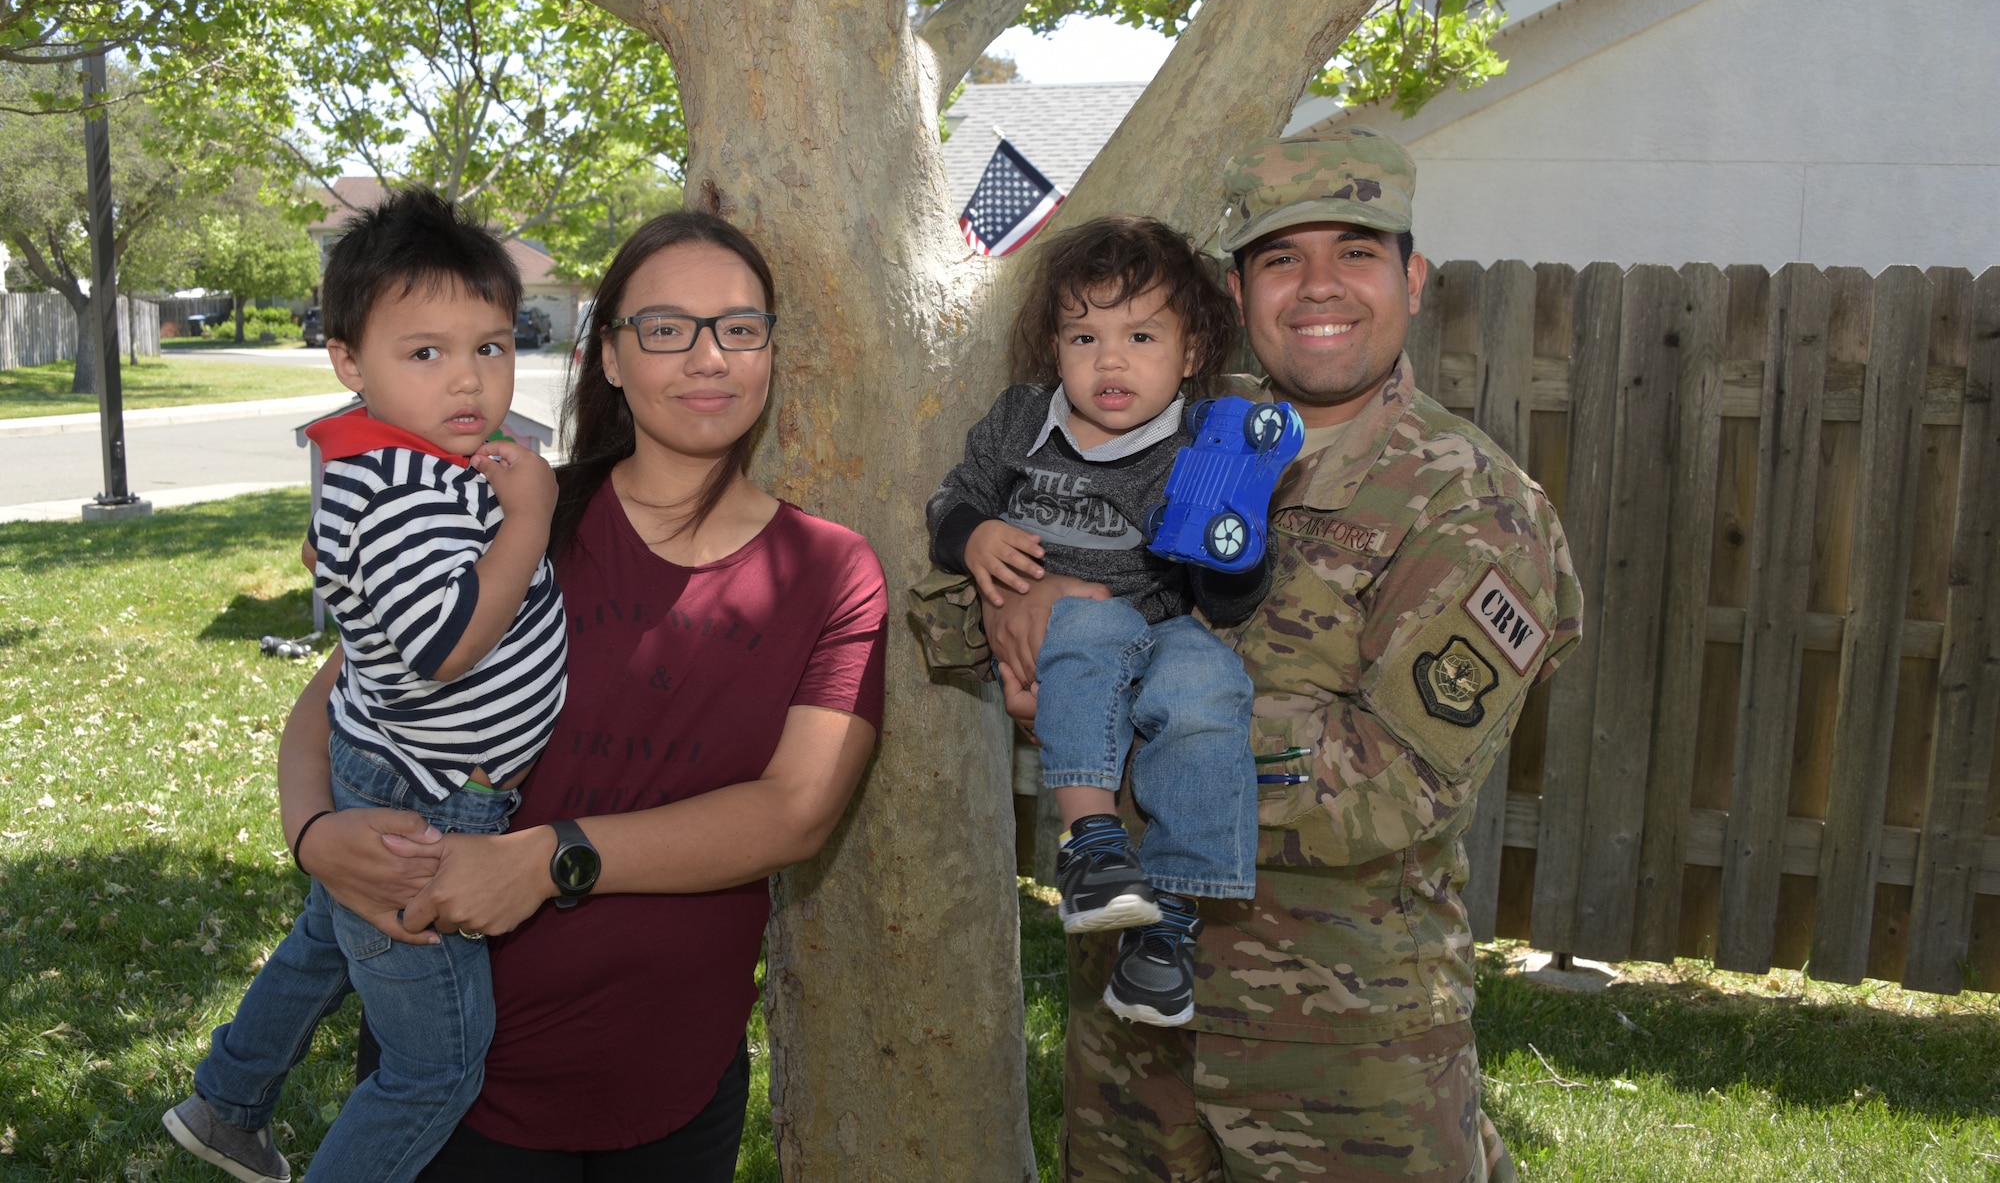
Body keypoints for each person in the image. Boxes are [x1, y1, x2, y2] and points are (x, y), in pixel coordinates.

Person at [987, 124, 1583, 1181]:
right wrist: (1023, 596)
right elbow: (964, 597)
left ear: (1410, 277)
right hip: (1131, 1032)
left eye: (1353, 253)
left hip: (1338, 1055)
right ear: (1236, 290)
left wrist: (1120, 717)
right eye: (1279, 259)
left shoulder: (1471, 503)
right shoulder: (1168, 440)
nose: (1318, 287)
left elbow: (1387, 786)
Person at [273, 210, 887, 1179]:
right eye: (663, 327)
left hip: (672, 1085)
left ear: (769, 352)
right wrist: (314, 834)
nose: (706, 357)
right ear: (608, 356)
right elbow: (339, 695)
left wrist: (548, 860)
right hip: (454, 1082)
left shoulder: (830, 570)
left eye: (738, 327)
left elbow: (794, 812)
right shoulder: (516, 516)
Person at [165, 189, 567, 1183]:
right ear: (349, 361)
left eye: (491, 344)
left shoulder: (422, 457)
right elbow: (445, 646)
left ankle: (228, 1102)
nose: (469, 377)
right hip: (421, 799)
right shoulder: (396, 487)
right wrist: (530, 520)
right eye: (423, 352)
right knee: (436, 1067)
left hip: (388, 757)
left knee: (327, 939)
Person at [925, 215, 1267, 1028]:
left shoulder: (1201, 444)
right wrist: (973, 534)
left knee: (1211, 686)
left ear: (1189, 355)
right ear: (1054, 348)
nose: (1110, 359)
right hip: (1081, 631)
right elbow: (951, 499)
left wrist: (1234, 554)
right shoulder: (1019, 422)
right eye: (1084, 337)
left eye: (1141, 335)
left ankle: (1171, 927)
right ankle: (1095, 847)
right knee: (1087, 619)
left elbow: (1226, 601)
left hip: (1164, 624)